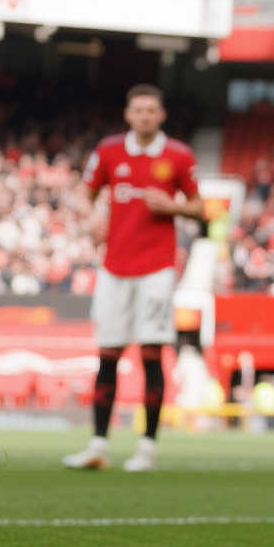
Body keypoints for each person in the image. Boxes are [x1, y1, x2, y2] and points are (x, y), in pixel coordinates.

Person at [63, 84, 204, 472]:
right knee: (108, 354)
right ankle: (97, 445)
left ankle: (147, 448)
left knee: (151, 354)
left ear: (161, 115)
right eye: (138, 110)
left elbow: (200, 206)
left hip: (157, 269)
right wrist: (92, 217)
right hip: (114, 268)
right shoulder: (109, 150)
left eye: (151, 110)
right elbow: (85, 194)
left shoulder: (178, 155)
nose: (144, 116)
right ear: (128, 114)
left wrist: (173, 206)